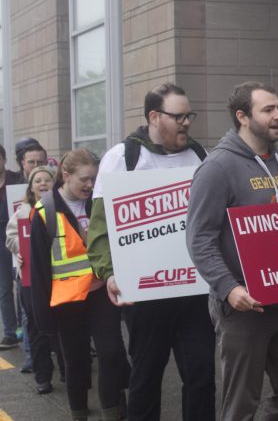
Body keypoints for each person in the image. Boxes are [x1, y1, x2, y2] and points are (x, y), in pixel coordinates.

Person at [187, 82, 278, 420]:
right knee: (242, 402)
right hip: (245, 306)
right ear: (242, 116)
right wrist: (229, 288)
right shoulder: (217, 168)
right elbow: (199, 238)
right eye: (268, 110)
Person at [87, 83, 214, 421]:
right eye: (179, 116)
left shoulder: (201, 156)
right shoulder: (123, 158)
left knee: (202, 376)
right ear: (154, 116)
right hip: (145, 296)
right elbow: (99, 227)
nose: (187, 122)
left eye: (190, 115)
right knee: (145, 378)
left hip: (194, 292)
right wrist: (109, 272)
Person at [29, 149, 129, 421]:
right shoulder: (43, 212)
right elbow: (38, 271)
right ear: (66, 175)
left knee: (110, 354)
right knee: (76, 363)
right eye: (84, 179)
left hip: (101, 294)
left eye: (94, 178)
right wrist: (44, 320)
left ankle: (112, 412)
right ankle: (78, 414)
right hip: (67, 301)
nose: (90, 185)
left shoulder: (99, 203)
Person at [6, 166, 58, 394]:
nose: (43, 184)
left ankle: (68, 371)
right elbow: (11, 238)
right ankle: (43, 376)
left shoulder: (60, 208)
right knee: (36, 327)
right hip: (28, 278)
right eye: (38, 180)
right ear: (31, 186)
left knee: (60, 327)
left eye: (47, 180)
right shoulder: (22, 211)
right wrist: (18, 249)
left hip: (59, 277)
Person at [0, 144, 26, 350]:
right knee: (3, 288)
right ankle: (9, 333)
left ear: (4, 159)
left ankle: (22, 328)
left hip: (17, 235)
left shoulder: (17, 180)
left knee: (20, 282)